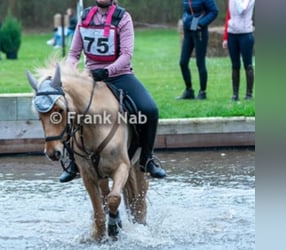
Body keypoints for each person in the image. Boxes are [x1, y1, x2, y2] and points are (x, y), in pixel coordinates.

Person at [59, 0, 167, 182]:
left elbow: (126, 56)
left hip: (119, 75)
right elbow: (73, 54)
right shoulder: (84, 16)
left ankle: (147, 160)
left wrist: (107, 71)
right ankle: (72, 161)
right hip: (90, 76)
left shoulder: (123, 17)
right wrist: (70, 72)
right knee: (66, 108)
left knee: (150, 110)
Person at [176, 0, 218, 100]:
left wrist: (201, 23)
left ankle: (202, 92)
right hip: (188, 31)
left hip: (200, 31)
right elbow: (187, 11)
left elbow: (214, 11)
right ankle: (189, 91)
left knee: (200, 63)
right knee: (183, 62)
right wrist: (185, 21)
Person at [222, 0, 255, 101]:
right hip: (232, 34)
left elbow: (242, 9)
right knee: (235, 65)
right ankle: (235, 94)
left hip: (246, 34)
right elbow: (228, 16)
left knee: (248, 65)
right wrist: (225, 37)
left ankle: (249, 94)